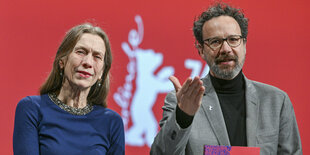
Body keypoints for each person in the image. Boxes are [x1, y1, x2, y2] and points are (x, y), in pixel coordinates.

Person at [151, 3, 302, 155]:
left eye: (233, 39)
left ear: (244, 44)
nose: (226, 49)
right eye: (215, 42)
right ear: (201, 50)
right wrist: (183, 117)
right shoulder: (182, 102)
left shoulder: (276, 101)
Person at [13, 23, 125, 155]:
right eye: (80, 52)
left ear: (101, 73)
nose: (88, 62)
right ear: (62, 61)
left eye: (97, 57)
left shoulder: (112, 122)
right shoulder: (31, 108)